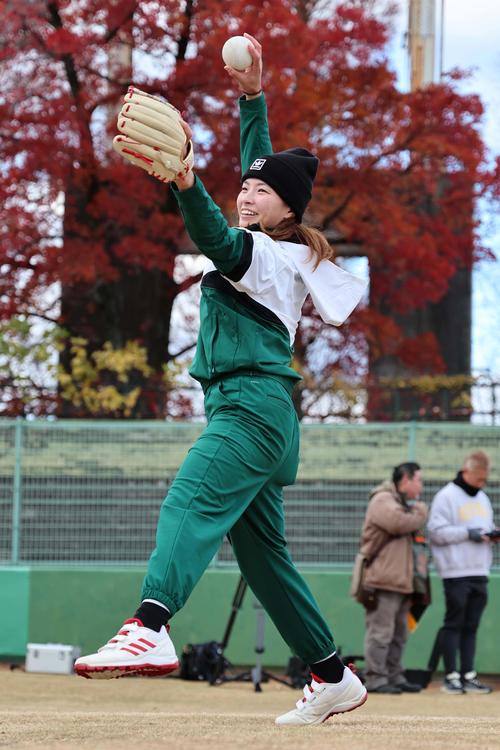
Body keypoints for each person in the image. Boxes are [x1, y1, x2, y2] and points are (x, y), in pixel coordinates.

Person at [74, 34, 368, 725]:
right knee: (264, 559)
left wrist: (185, 182)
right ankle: (332, 675)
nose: (246, 195)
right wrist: (252, 99)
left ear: (286, 209)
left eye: (260, 191)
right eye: (245, 186)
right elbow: (252, 177)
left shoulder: (266, 256)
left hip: (249, 410)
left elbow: (215, 236)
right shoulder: (280, 250)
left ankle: (148, 625)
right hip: (266, 417)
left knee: (189, 499)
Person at [428, 450, 499, 695]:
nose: (482, 484)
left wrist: (491, 534)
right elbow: (436, 532)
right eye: (479, 479)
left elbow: (485, 527)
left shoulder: (482, 498)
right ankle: (451, 676)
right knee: (454, 623)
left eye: (484, 480)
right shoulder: (446, 497)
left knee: (472, 625)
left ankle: (468, 675)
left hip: (479, 570)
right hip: (455, 571)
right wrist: (468, 533)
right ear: (466, 471)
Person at [359, 462, 428, 694]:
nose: (421, 485)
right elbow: (399, 523)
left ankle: (395, 676)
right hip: (383, 579)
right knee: (381, 633)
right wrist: (420, 511)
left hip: (402, 581)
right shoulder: (382, 499)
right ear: (405, 480)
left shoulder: (400, 503)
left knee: (399, 634)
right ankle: (376, 678)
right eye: (418, 479)